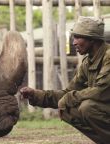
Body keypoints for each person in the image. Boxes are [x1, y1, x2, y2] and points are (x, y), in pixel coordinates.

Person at [20, 16, 110, 144]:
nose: (74, 43)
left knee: (87, 107)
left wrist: (69, 98)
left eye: (78, 37)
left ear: (92, 39)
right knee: (68, 110)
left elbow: (100, 91)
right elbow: (67, 92)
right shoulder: (88, 62)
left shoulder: (108, 56)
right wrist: (36, 95)